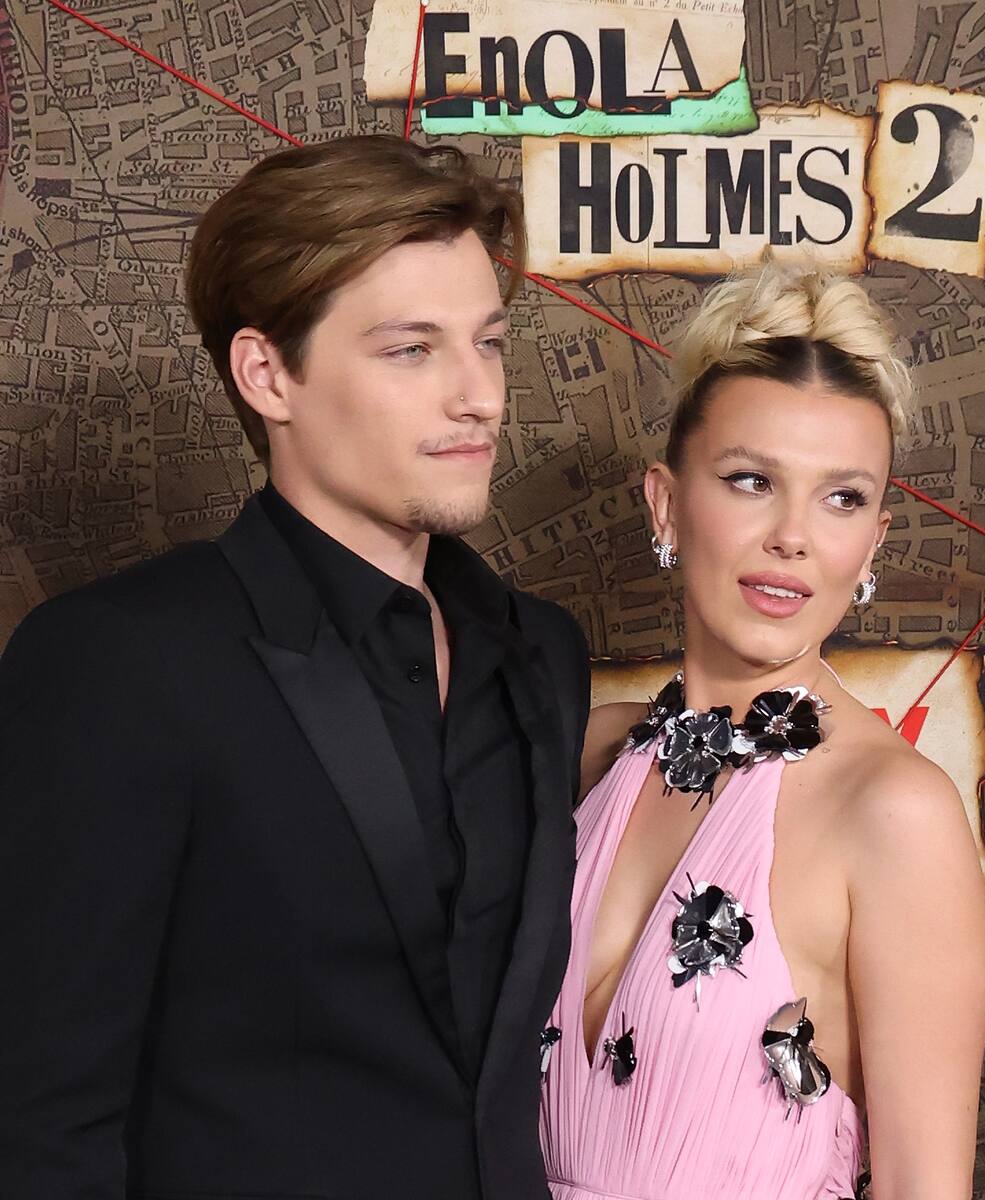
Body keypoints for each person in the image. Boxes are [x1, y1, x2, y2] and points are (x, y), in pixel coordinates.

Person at [0, 135, 590, 1200]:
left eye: (490, 343)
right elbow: (43, 1123)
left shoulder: (542, 653)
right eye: (411, 350)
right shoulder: (121, 663)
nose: (480, 396)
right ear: (267, 373)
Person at [539, 260, 985, 1200]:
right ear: (667, 503)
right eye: (752, 480)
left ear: (872, 542)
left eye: (841, 497)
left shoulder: (893, 813)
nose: (794, 535)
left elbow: (924, 1185)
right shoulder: (587, 754)